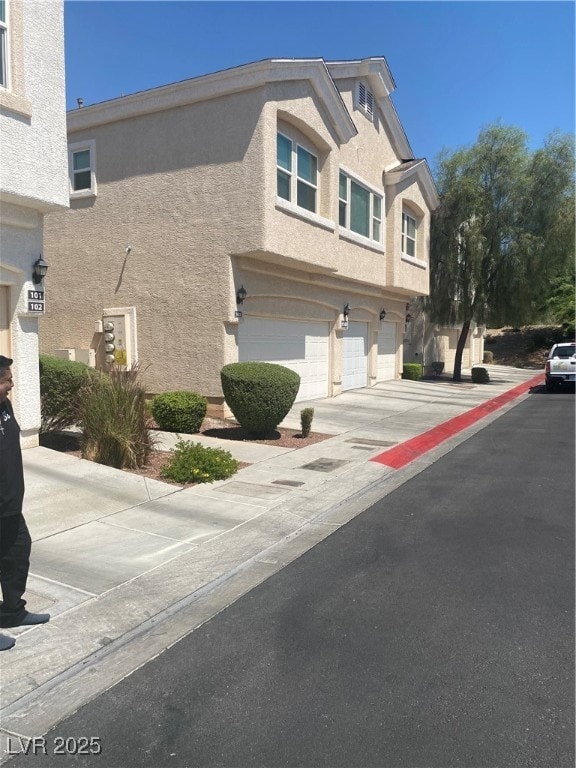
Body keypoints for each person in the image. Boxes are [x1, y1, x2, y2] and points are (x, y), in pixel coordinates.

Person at [0, 355, 49, 651]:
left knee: (18, 553)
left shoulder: (5, 407)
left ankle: (12, 612)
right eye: (6, 379)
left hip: (10, 506)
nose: (11, 384)